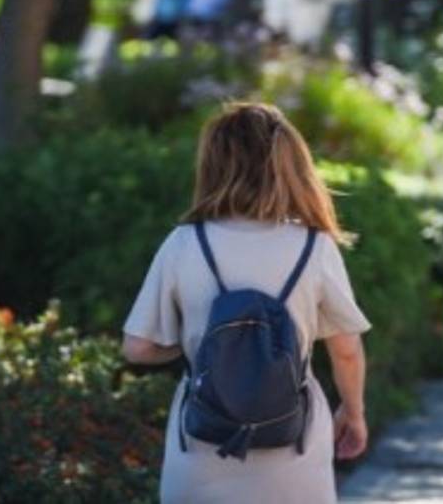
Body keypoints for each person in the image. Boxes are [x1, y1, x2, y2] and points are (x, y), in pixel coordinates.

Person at [121, 103, 372, 503]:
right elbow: (346, 351)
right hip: (294, 446)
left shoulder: (185, 243)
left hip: (202, 446)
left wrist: (196, 345)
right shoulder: (314, 246)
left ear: (213, 164)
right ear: (289, 166)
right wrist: (354, 415)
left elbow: (138, 347)